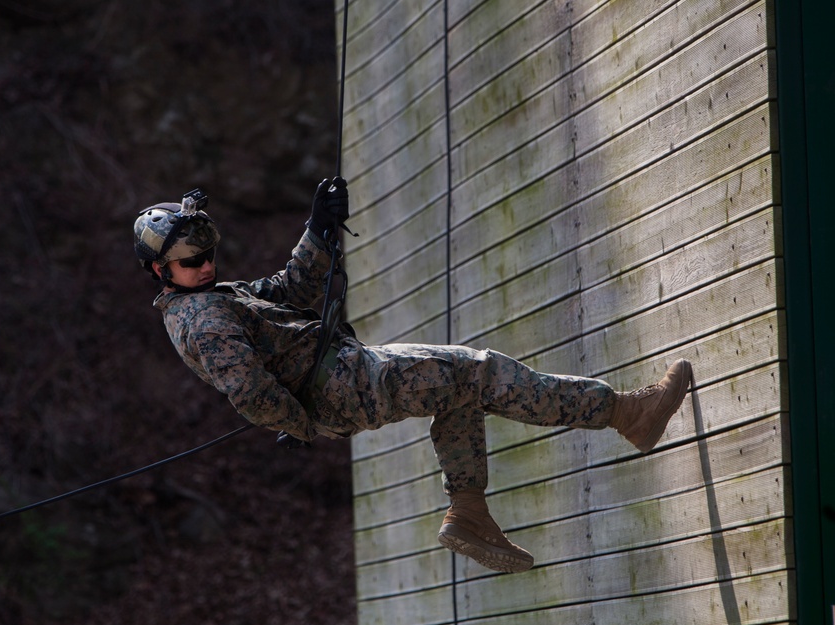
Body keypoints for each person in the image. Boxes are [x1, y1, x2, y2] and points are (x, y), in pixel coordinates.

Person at [133, 178, 693, 574]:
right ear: (161, 270)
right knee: (479, 372)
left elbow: (286, 292)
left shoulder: (211, 296)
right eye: (191, 262)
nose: (206, 265)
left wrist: (319, 231)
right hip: (347, 383)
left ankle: (468, 511)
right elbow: (249, 391)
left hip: (345, 377)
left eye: (209, 253)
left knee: (457, 395)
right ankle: (627, 414)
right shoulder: (199, 318)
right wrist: (302, 421)